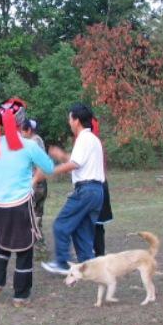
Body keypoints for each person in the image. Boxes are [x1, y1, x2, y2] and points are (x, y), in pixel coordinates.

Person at [0, 99, 56, 307]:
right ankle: (20, 296)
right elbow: (48, 167)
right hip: (21, 204)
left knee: (2, 242)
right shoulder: (29, 146)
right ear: (21, 122)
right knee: (24, 249)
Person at [41, 103, 105, 275]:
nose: (69, 122)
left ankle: (61, 263)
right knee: (81, 230)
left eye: (70, 118)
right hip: (97, 192)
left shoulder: (83, 139)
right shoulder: (92, 139)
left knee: (61, 225)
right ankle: (89, 267)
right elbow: (79, 160)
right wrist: (62, 156)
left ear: (76, 120)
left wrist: (48, 172)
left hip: (86, 190)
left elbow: (75, 164)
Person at [21, 118, 48, 254]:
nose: (21, 134)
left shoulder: (33, 142)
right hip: (40, 183)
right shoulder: (37, 140)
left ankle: (38, 245)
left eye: (23, 131)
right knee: (36, 214)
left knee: (32, 215)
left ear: (29, 130)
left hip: (36, 183)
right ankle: (38, 245)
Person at [90, 117, 113, 257]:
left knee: (96, 225)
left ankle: (98, 255)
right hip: (98, 185)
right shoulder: (95, 143)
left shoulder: (93, 144)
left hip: (97, 186)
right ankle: (97, 254)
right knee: (94, 225)